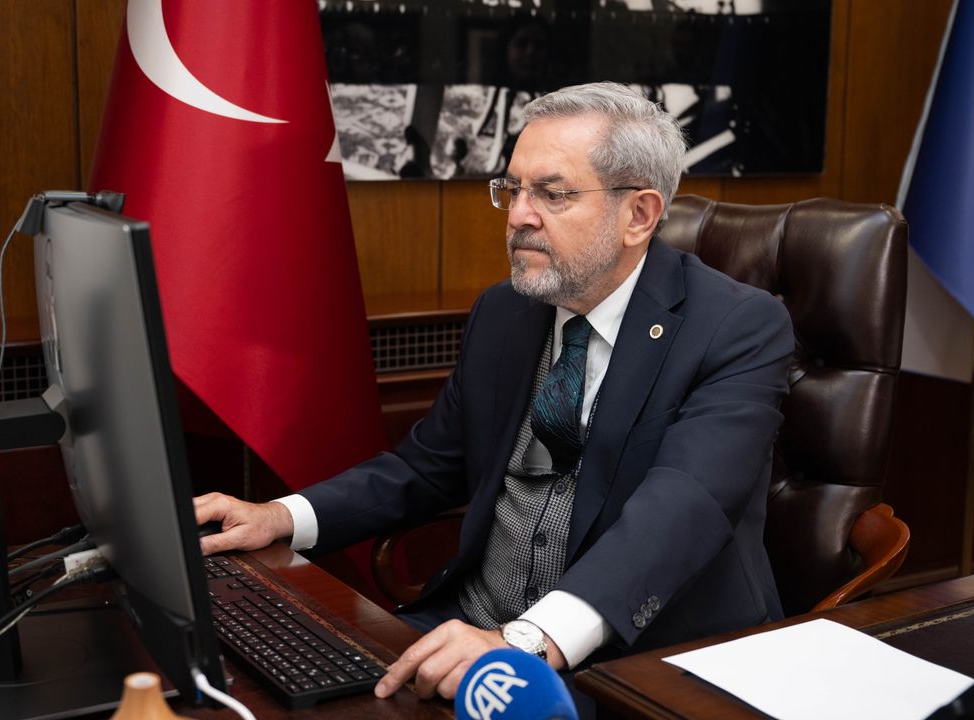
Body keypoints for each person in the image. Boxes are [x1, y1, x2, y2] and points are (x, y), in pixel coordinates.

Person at [193, 82, 794, 702]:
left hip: (634, 661)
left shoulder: (736, 326)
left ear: (638, 215)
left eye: (552, 194)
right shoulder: (505, 312)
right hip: (472, 628)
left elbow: (681, 509)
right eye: (513, 188)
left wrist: (528, 639)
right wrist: (281, 516)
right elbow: (425, 468)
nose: (518, 216)